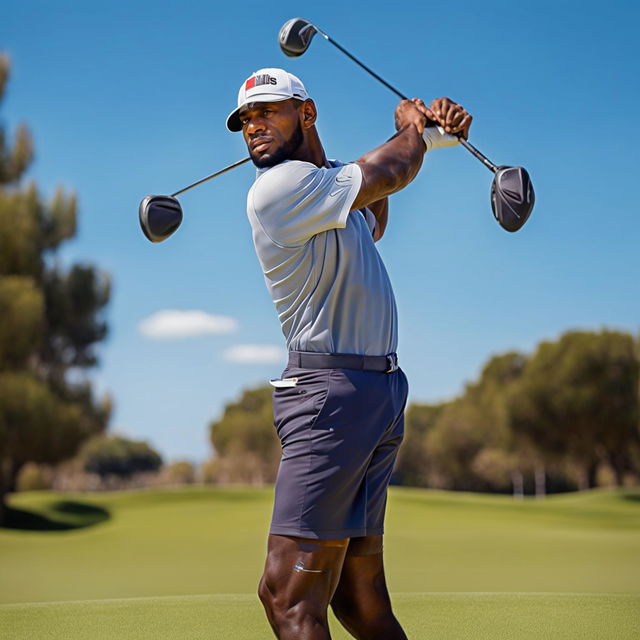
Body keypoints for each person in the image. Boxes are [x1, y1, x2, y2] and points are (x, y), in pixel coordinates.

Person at [226, 68, 472, 640]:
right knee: (325, 596)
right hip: (339, 396)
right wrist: (414, 132)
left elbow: (377, 196)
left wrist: (422, 135)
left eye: (268, 112)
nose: (254, 126)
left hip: (351, 402)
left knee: (319, 597)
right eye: (246, 120)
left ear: (307, 114)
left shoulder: (329, 190)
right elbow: (387, 170)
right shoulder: (277, 189)